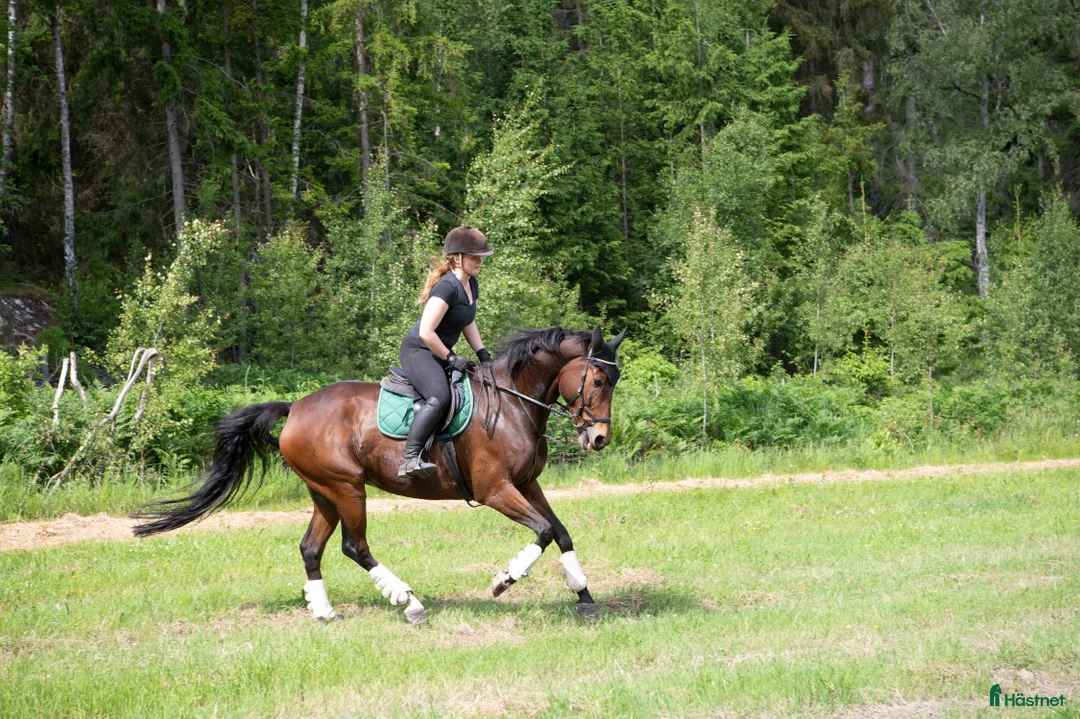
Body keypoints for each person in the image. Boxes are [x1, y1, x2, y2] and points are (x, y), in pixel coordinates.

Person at [397, 226, 493, 479]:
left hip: (437, 350)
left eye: (482, 256)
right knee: (440, 396)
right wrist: (450, 357)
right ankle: (409, 458)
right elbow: (426, 332)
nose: (479, 261)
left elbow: (467, 320)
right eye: (474, 256)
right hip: (419, 350)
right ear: (457, 258)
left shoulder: (471, 284)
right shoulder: (447, 287)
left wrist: (482, 353)